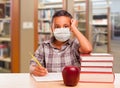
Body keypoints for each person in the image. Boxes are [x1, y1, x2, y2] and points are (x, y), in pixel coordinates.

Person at [30, 10, 92, 76]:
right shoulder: (44, 46)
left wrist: (74, 29)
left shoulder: (74, 44)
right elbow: (32, 65)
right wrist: (34, 70)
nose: (61, 29)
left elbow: (87, 49)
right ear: (52, 28)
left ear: (70, 28)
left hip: (71, 84)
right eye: (57, 26)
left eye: (65, 26)